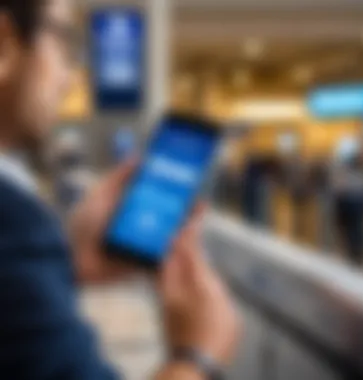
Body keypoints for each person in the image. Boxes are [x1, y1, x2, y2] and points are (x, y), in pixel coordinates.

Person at [0, 1, 240, 379]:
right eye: (65, 41)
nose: (71, 76)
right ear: (4, 45)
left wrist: (68, 261)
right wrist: (198, 354)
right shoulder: (15, 229)